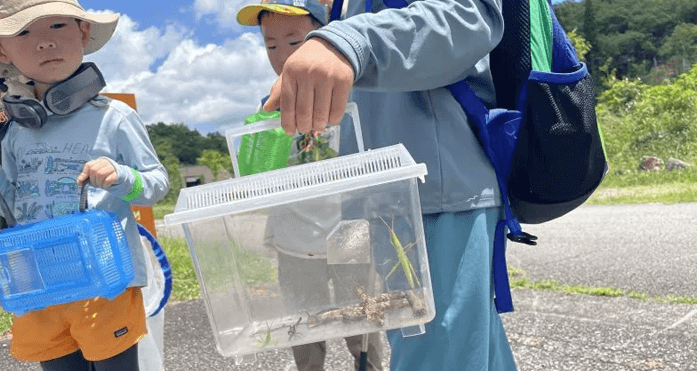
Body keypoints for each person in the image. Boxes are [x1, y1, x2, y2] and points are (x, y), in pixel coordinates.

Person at [261, 0, 519, 370]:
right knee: (459, 348)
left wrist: (346, 42)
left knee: (434, 348)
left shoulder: (342, 27)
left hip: (434, 195)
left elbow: (471, 16)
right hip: (386, 206)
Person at [0, 1, 170, 370]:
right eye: (24, 32)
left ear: (82, 32)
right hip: (41, 286)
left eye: (57, 26)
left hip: (105, 282)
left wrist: (122, 176)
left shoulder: (115, 118)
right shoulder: (12, 132)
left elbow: (157, 184)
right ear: (3, 50)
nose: (44, 42)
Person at [236, 1, 383, 370]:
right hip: (293, 240)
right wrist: (269, 116)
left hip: (350, 233)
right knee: (304, 331)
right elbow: (254, 174)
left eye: (294, 42)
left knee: (363, 324)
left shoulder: (350, 96)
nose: (283, 56)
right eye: (271, 45)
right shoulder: (268, 106)